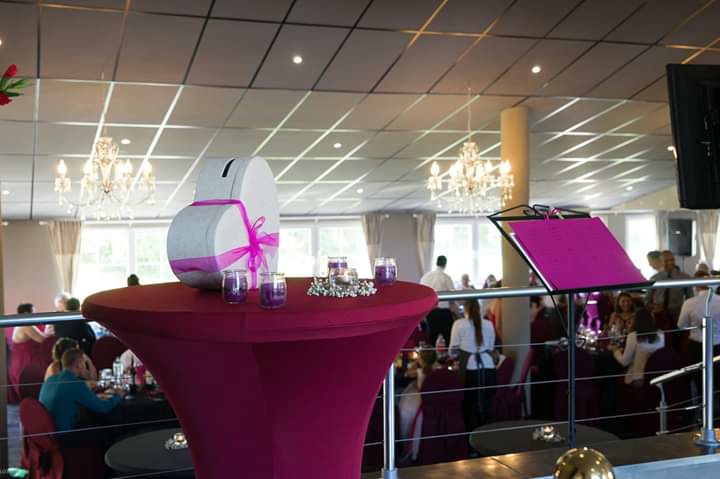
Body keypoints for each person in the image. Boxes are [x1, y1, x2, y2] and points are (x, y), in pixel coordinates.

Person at [39, 348, 123, 445]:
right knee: (108, 431)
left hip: (48, 433)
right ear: (78, 364)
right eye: (84, 363)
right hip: (64, 436)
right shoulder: (75, 383)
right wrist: (118, 395)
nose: (85, 367)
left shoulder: (50, 379)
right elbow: (103, 408)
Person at [449, 299, 496, 429]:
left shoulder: (459, 324)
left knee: (470, 405)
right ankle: (487, 433)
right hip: (489, 368)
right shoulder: (489, 324)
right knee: (487, 404)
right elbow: (491, 348)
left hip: (469, 369)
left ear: (465, 309)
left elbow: (452, 351)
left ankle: (471, 435)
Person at [398, 349, 438, 464]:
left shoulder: (419, 371)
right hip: (433, 400)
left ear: (421, 360)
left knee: (403, 406)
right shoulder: (437, 369)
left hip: (419, 399)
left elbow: (407, 373)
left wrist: (416, 363)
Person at [10, 303, 54, 398]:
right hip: (25, 361)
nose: (35, 315)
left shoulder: (22, 323)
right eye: (34, 312)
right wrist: (48, 331)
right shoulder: (26, 325)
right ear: (26, 313)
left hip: (25, 359)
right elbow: (42, 340)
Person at [610, 309, 664, 385]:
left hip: (639, 379)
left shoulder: (633, 336)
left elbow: (624, 362)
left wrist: (615, 351)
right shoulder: (661, 333)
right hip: (657, 377)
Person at [677, 270, 720, 366]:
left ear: (696, 286)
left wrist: (695, 327)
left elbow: (681, 326)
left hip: (697, 346)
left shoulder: (689, 303)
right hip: (718, 345)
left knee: (697, 373)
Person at [420, 256, 455, 345]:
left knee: (431, 339)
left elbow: (421, 295)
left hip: (431, 312)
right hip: (444, 312)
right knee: (448, 339)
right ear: (445, 264)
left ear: (436, 263)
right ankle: (447, 354)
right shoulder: (446, 277)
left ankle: (431, 353)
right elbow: (452, 296)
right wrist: (456, 312)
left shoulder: (426, 277)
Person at [646, 250, 692, 315]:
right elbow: (647, 298)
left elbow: (690, 298)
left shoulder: (684, 278)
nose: (670, 263)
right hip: (659, 313)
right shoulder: (654, 278)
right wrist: (653, 307)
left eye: (672, 260)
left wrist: (684, 310)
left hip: (678, 312)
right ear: (661, 262)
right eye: (666, 261)